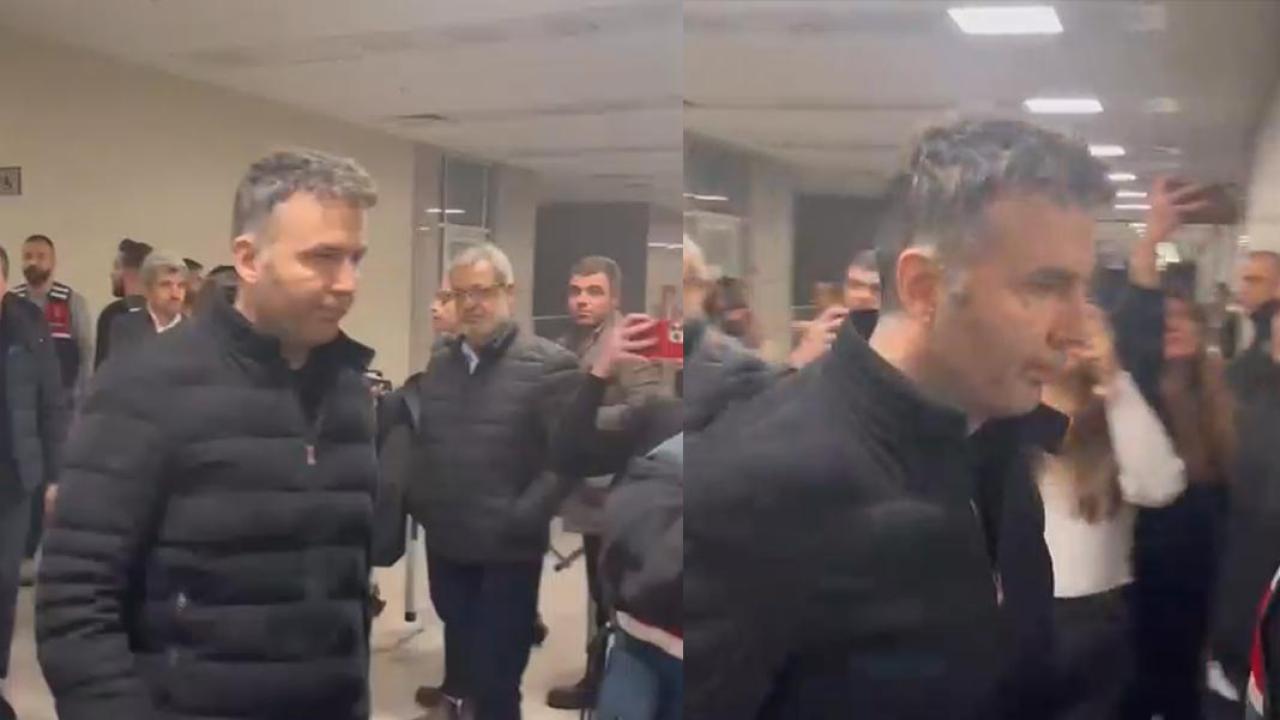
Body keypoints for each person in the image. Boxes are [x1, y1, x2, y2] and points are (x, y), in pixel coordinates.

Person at [686, 118, 1114, 719]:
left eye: (1082, 290)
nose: (1073, 330)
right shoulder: (755, 485)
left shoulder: (997, 441)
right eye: (1045, 287)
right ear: (923, 287)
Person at [37, 149, 382, 720]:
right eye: (323, 258)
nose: (347, 283)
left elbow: (344, 604)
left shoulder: (349, 394)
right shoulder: (145, 385)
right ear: (247, 259)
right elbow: (76, 601)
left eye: (355, 259)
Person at [404, 243, 582, 720]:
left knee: (498, 681)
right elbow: (429, 438)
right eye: (460, 293)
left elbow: (567, 460)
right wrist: (424, 500)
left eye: (482, 292)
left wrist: (523, 516)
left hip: (507, 551)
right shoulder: (442, 361)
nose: (471, 304)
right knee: (462, 669)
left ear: (509, 293)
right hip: (448, 542)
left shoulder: (550, 365)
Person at [548, 255, 662, 711]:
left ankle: (602, 681)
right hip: (586, 486)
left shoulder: (626, 339)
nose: (582, 300)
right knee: (598, 592)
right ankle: (598, 674)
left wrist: (585, 418)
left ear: (615, 297)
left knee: (612, 594)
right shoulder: (569, 342)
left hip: (616, 487)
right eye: (576, 291)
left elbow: (646, 406)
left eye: (594, 291)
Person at [0, 246, 68, 711]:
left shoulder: (27, 324)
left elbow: (51, 401)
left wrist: (55, 476)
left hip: (14, 472)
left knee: (5, 577)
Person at [12, 234, 93, 401]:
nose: (33, 262)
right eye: (27, 257)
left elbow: (86, 351)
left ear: (53, 262)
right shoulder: (11, 301)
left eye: (41, 257)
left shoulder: (71, 301)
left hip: (64, 398)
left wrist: (81, 394)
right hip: (19, 399)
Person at [106, 251, 189, 356]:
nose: (175, 294)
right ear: (147, 289)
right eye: (165, 285)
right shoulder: (125, 327)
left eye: (181, 286)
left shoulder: (196, 332)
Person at [92, 238, 152, 368]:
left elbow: (104, 368)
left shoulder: (113, 314)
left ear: (129, 271)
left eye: (116, 267)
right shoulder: (165, 312)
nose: (111, 274)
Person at [1222, 251, 1280, 358]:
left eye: (1253, 280)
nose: (1243, 288)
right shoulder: (1254, 324)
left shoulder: (1272, 328)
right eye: (1241, 281)